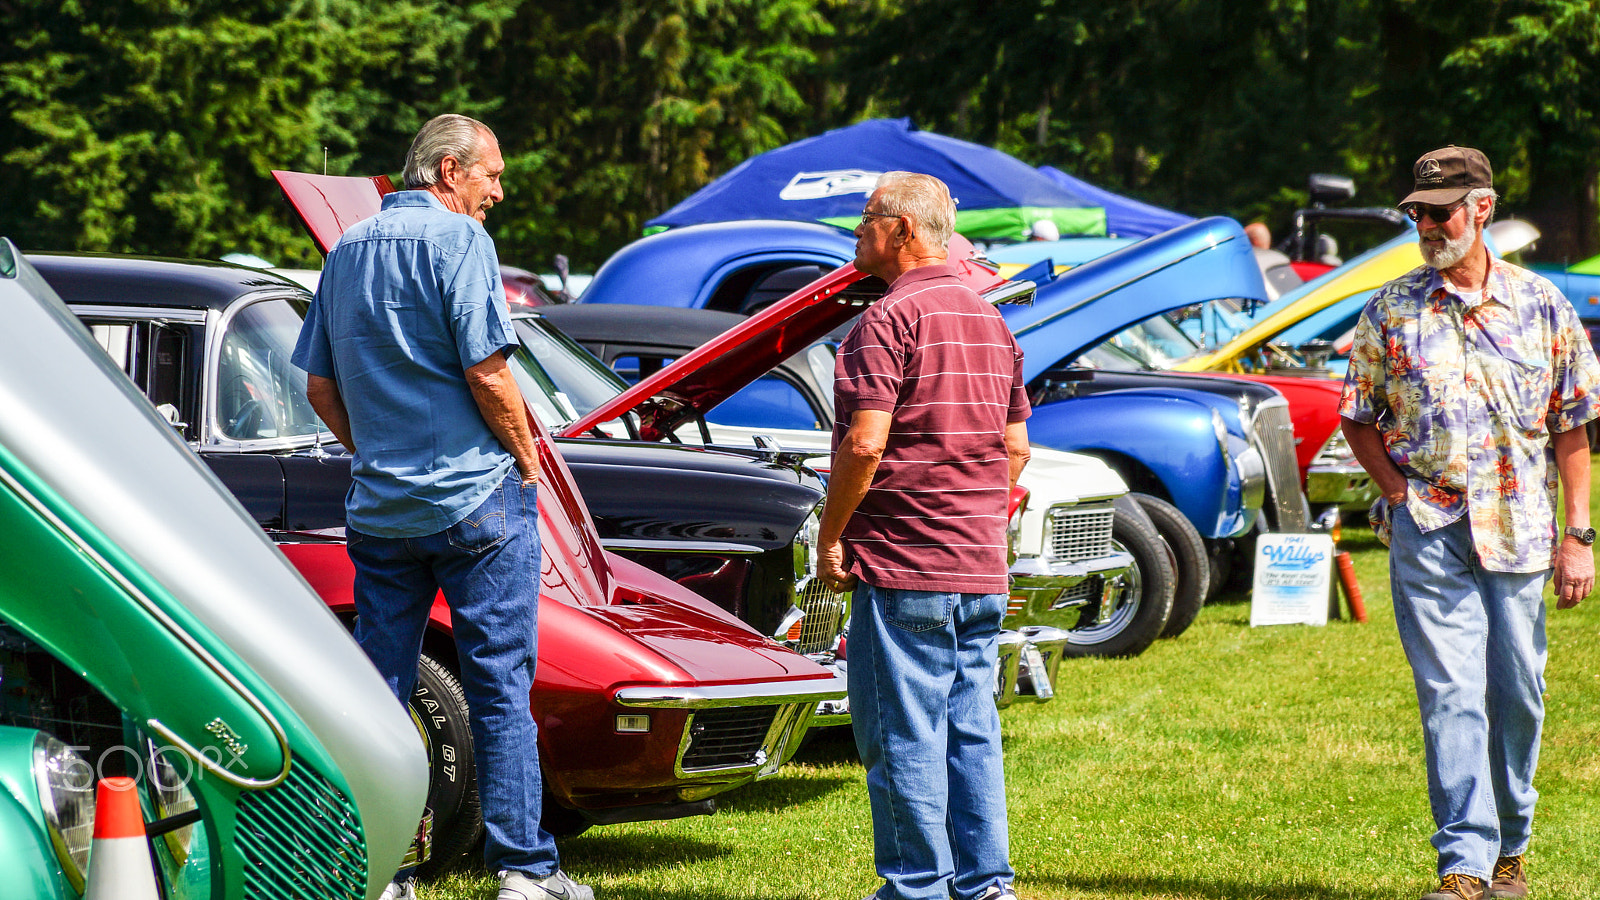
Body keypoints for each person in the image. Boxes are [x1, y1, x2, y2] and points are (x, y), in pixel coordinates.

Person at [292, 114, 592, 900]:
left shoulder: (347, 248)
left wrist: (375, 451)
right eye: (491, 175)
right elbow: (491, 374)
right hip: (474, 503)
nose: (498, 191)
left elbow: (318, 384)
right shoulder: (463, 243)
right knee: (499, 684)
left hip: (381, 509)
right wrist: (529, 462)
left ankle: (383, 869)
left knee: (379, 692)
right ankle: (525, 873)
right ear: (450, 171)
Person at [1339, 146, 1600, 900]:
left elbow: (1573, 427)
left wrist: (1577, 536)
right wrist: (1396, 495)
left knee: (1518, 693)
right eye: (1415, 212)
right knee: (1450, 694)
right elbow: (1358, 417)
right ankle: (1464, 864)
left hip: (1520, 527)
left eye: (1439, 211)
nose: (1424, 224)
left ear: (1481, 208)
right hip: (1430, 527)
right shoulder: (1391, 310)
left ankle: (1511, 846)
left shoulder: (1542, 304)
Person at [818, 171, 1031, 900]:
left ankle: (916, 888)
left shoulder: (884, 321)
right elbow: (1017, 446)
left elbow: (867, 444)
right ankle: (987, 885)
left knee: (901, 736)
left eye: (866, 218)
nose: (857, 232)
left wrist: (831, 536)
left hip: (904, 562)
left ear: (902, 230)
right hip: (979, 564)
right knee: (972, 729)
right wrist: (978, 520)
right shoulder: (992, 319)